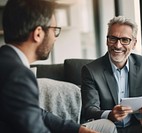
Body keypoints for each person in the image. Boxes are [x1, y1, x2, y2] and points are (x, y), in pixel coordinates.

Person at [0, 0, 117, 133]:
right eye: (54, 30)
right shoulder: (18, 74)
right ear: (38, 33)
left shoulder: (6, 62)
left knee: (105, 127)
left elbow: (36, 113)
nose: (55, 38)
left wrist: (78, 129)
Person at [81, 16, 142, 133]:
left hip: (139, 125)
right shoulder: (91, 70)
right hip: (109, 128)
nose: (118, 45)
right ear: (107, 40)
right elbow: (89, 109)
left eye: (125, 40)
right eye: (113, 38)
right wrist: (110, 115)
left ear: (134, 43)